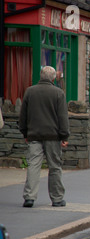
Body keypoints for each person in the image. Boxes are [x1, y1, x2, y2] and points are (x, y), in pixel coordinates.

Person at [19, 66, 70, 208]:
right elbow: (62, 117)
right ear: (53, 78)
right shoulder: (58, 93)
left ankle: (29, 197)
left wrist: (25, 132)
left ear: (41, 76)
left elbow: (23, 115)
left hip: (34, 135)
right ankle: (57, 198)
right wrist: (64, 136)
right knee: (55, 167)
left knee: (33, 165)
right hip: (53, 136)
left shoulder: (30, 91)